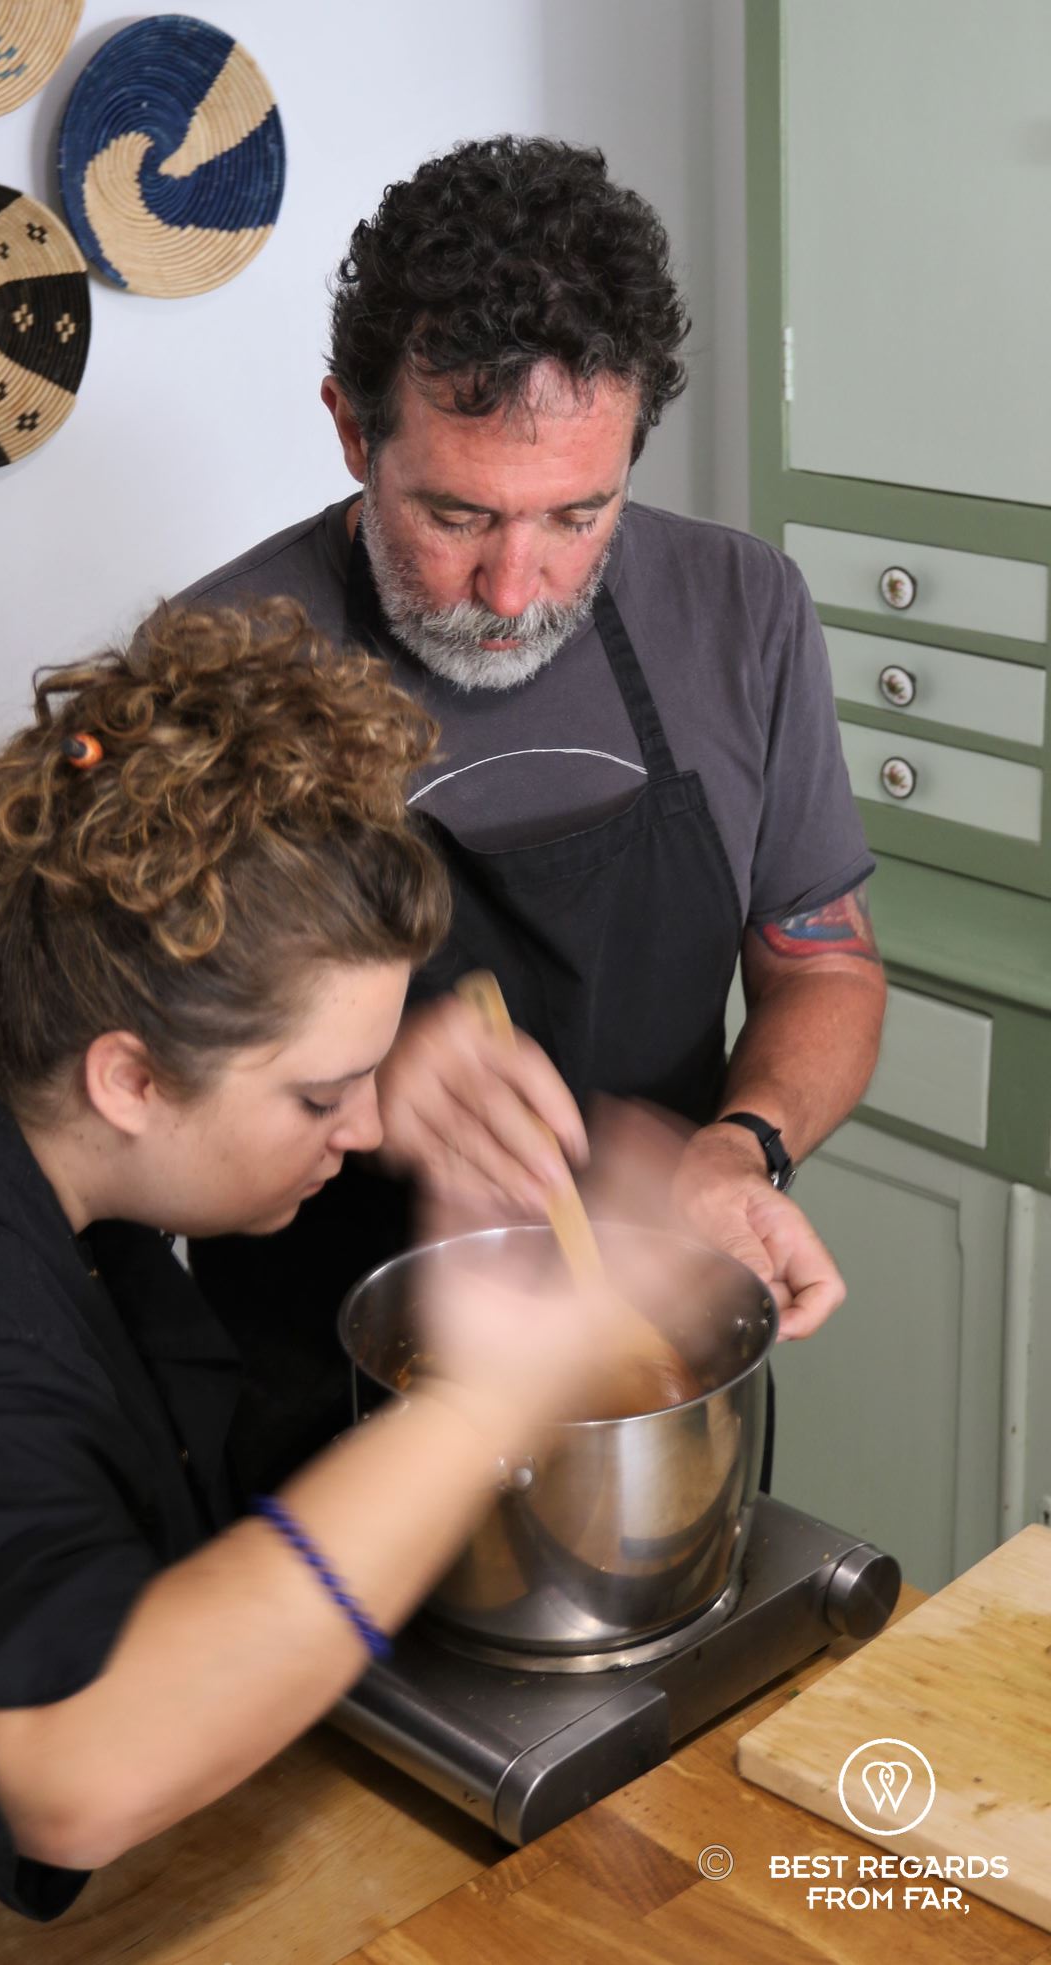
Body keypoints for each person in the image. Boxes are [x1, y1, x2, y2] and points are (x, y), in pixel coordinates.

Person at [0, 599, 623, 1920]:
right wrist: (489, 1405)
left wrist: (370, 1050)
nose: (372, 1124)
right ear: (131, 1077)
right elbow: (73, 1764)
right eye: (322, 1095)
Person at [171, 136, 888, 1493]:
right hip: (327, 1402)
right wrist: (357, 1089)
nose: (514, 588)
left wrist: (747, 1146)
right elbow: (126, 1078)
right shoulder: (220, 662)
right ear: (349, 426)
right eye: (455, 514)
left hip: (646, 1403)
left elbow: (825, 963)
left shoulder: (745, 615)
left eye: (578, 514)